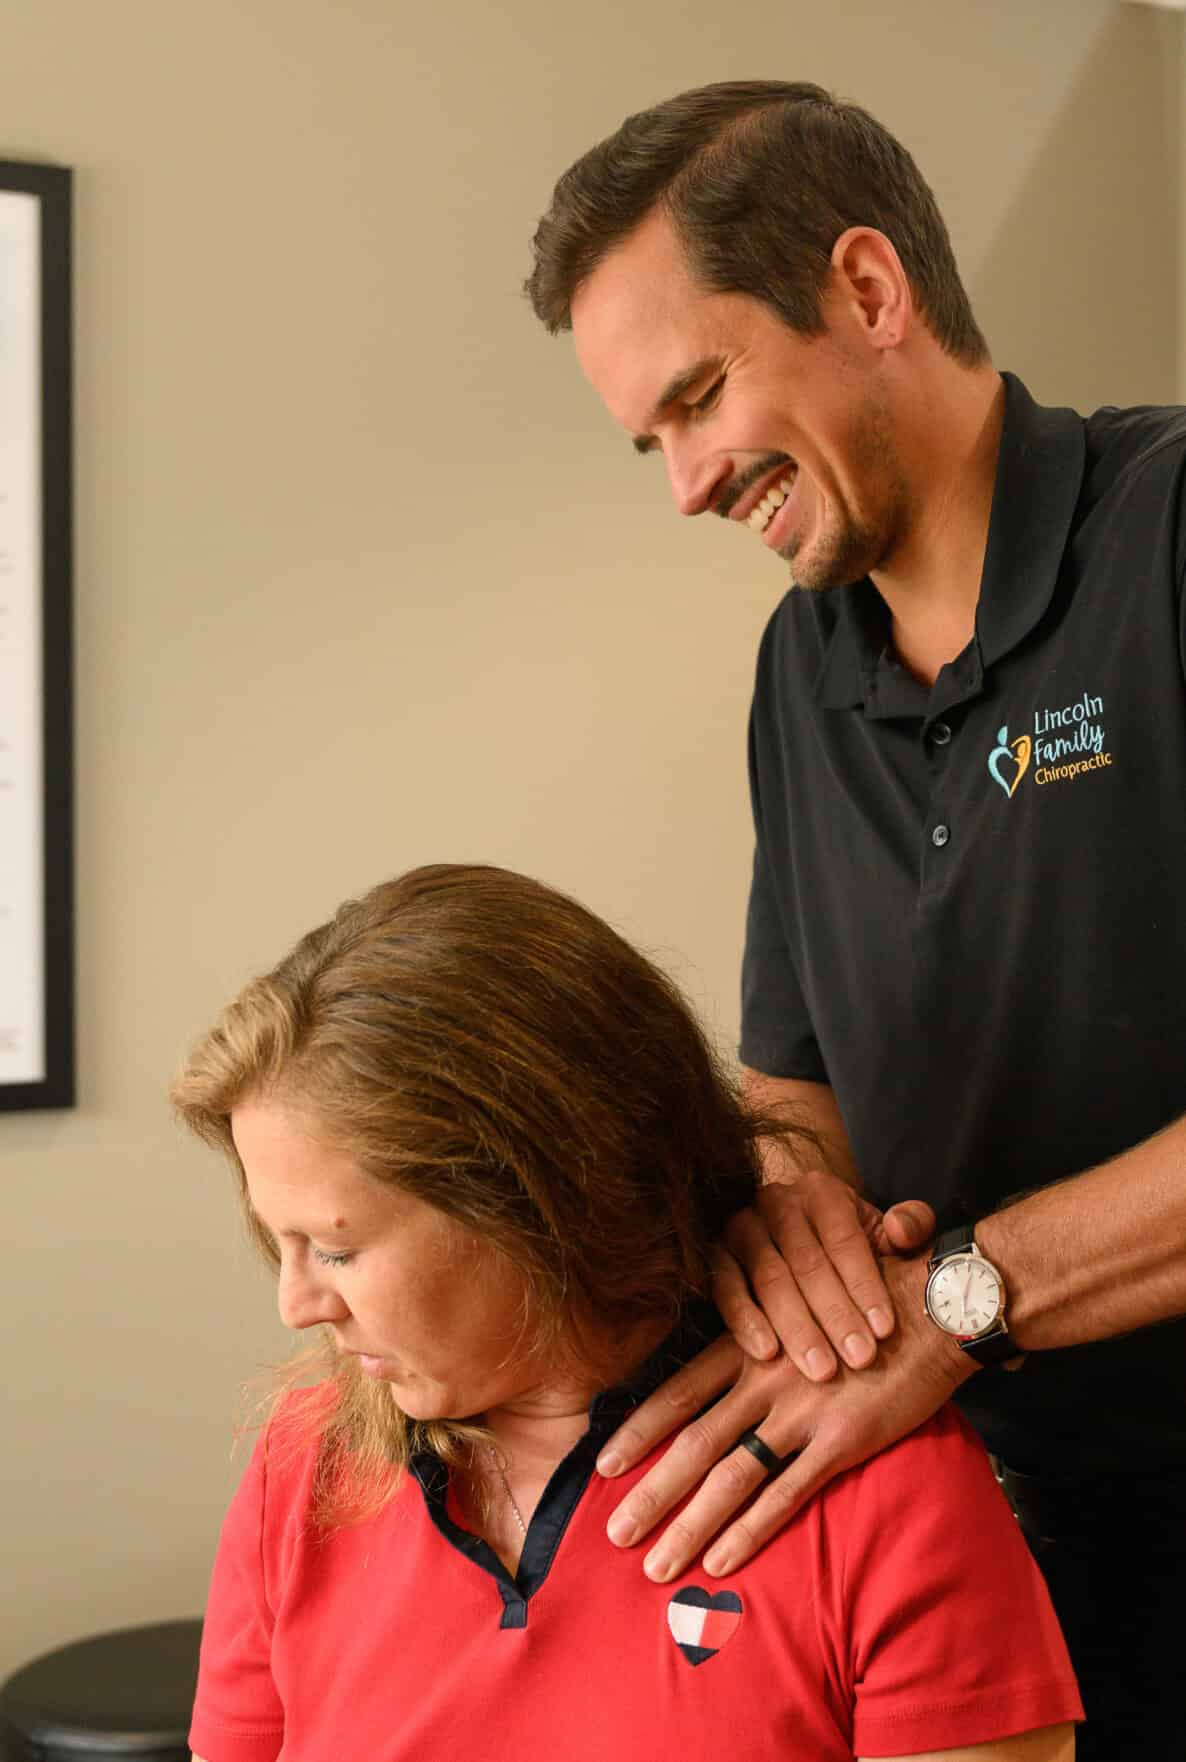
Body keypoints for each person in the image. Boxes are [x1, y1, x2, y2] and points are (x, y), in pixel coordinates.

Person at [523, 79, 1186, 1761]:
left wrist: (955, 1302)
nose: (680, 485)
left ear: (869, 291)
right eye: (645, 441)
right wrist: (794, 1220)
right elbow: (790, 1083)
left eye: (697, 399)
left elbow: (951, 1296)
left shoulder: (1166, 537)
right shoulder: (797, 668)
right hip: (981, 1556)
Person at [172, 863, 1078, 1762]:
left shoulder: (881, 1483)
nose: (295, 1304)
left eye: (334, 1249)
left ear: (538, 1202)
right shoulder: (304, 1466)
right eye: (277, 1241)